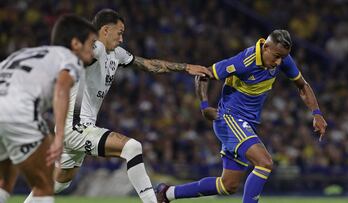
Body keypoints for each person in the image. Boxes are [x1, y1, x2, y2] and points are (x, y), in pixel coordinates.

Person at [23, 9, 212, 203]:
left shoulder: (117, 54)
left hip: (79, 126)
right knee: (132, 147)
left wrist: (186, 67)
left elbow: (148, 64)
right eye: (120, 33)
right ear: (105, 30)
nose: (122, 39)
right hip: (76, 128)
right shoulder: (95, 48)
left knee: (61, 181)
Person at [156, 30, 328, 203]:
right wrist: (204, 106)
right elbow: (203, 74)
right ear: (266, 47)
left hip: (246, 123)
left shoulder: (281, 59)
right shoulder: (244, 61)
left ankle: (167, 193)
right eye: (276, 56)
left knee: (228, 185)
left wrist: (317, 114)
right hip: (229, 118)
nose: (279, 62)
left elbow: (302, 86)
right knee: (265, 162)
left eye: (282, 57)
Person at [0, 14, 97, 203]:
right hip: (19, 111)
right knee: (44, 183)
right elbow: (61, 88)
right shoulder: (70, 58)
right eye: (92, 44)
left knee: (3, 182)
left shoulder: (24, 54)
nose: (93, 51)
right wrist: (59, 136)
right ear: (76, 43)